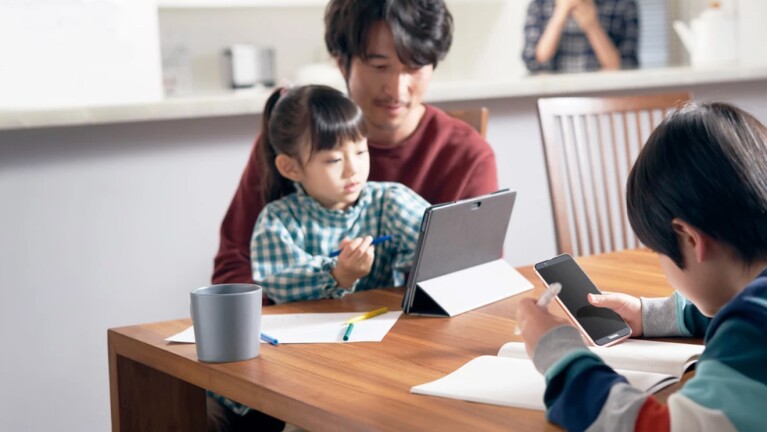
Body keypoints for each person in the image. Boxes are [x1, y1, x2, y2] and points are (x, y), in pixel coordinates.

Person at [212, 0, 499, 290]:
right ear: (341, 61)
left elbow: (473, 276)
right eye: (379, 65)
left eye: (414, 67)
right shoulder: (297, 144)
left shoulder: (467, 155)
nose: (397, 89)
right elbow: (234, 268)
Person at [516, 102, 767, 431]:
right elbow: (735, 306)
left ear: (690, 238)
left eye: (657, 250)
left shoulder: (751, 333)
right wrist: (647, 315)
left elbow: (651, 427)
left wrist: (557, 352)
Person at [251, 84, 428, 303]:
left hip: (386, 328)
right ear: (290, 167)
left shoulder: (389, 202)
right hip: (310, 333)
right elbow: (278, 284)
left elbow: (437, 245)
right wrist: (340, 274)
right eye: (334, 159)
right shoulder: (279, 220)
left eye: (361, 151)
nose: (353, 169)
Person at [522, 0, 639, 73]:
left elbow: (626, 66)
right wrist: (559, 16)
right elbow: (534, 63)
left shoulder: (623, 6)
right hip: (552, 102)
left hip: (605, 101)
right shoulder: (539, 5)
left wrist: (592, 26)